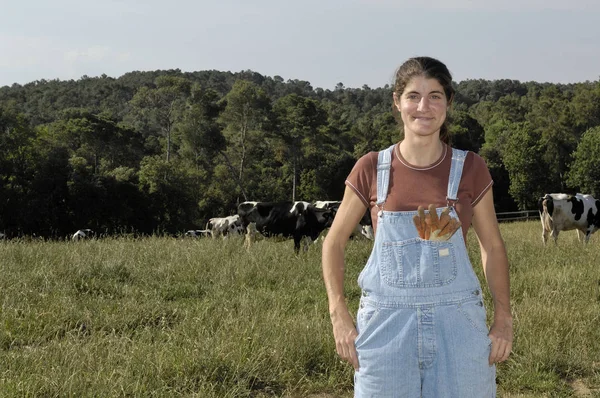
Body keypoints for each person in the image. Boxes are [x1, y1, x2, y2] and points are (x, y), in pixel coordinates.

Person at [321, 56, 513, 397]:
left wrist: (503, 320)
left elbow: (492, 247)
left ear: (448, 102)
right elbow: (334, 242)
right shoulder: (371, 168)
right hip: (386, 329)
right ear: (397, 102)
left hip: (459, 326)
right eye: (413, 96)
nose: (424, 106)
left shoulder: (471, 168)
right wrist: (339, 314)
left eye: (435, 96)